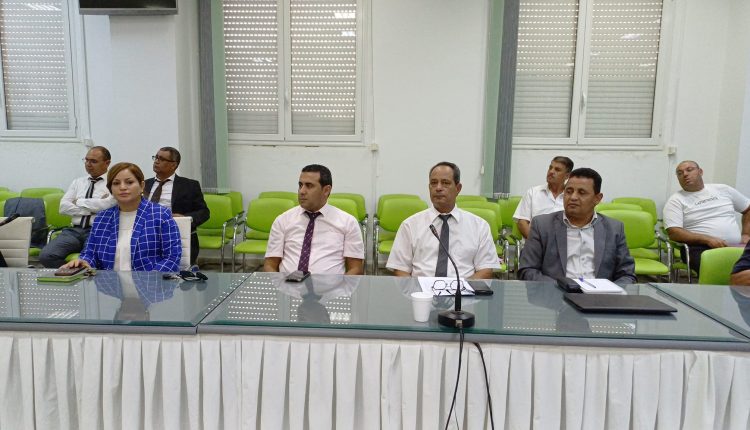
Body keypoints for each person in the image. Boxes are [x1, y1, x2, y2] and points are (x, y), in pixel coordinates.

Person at [518, 167, 636, 284]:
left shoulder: (614, 228)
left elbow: (627, 274)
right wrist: (560, 288)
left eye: (581, 193)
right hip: (556, 292)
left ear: (597, 199)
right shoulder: (542, 225)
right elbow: (527, 270)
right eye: (569, 191)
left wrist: (610, 291)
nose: (573, 197)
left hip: (599, 294)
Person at [387, 162, 500, 279]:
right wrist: (414, 289)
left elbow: (485, 269)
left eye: (445, 183)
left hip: (464, 288)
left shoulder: (479, 226)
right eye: (433, 183)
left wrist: (463, 289)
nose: (438, 188)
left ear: (458, 188)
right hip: (420, 288)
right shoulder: (410, 225)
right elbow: (400, 269)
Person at [62, 162, 182, 272]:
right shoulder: (102, 218)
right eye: (116, 183)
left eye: (129, 182)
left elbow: (172, 258)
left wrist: (150, 279)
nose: (123, 187)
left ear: (141, 186)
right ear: (110, 189)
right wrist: (83, 262)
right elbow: (90, 254)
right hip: (109, 285)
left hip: (151, 285)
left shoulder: (161, 215)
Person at [263, 164, 364, 275]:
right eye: (300, 185)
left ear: (326, 190)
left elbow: (356, 268)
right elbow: (270, 265)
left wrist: (340, 286)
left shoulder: (347, 222)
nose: (302, 191)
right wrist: (278, 284)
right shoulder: (283, 220)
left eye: (309, 186)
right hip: (287, 284)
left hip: (331, 285)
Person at [664, 160, 750, 274]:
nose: (685, 174)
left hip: (735, 246)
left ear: (700, 172)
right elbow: (674, 232)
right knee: (718, 272)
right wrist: (707, 239)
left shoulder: (723, 189)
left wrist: (746, 234)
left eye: (689, 170)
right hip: (698, 247)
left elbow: (747, 209)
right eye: (680, 173)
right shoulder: (676, 200)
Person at [40, 146, 117, 268]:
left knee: (93, 260)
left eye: (93, 161)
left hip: (97, 231)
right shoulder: (78, 182)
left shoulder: (114, 182)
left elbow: (107, 205)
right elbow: (63, 207)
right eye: (86, 160)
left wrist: (78, 201)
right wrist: (92, 210)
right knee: (46, 256)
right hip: (74, 231)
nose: (88, 164)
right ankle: (73, 272)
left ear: (107, 163)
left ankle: (84, 273)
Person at [144, 147, 210, 266]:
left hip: (177, 234)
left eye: (161, 159)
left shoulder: (189, 185)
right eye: (156, 157)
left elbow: (204, 212)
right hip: (147, 236)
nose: (156, 161)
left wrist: (185, 218)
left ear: (173, 165)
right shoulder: (144, 184)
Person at [513, 156, 573, 239]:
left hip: (563, 244)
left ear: (567, 176)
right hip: (535, 242)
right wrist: (536, 242)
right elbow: (522, 223)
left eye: (557, 170)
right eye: (550, 168)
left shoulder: (572, 197)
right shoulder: (533, 193)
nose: (551, 171)